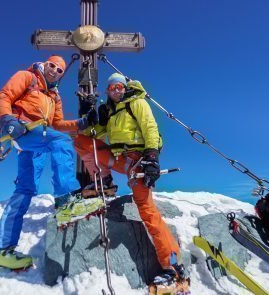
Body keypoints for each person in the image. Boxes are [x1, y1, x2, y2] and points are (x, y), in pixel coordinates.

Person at [0, 55, 99, 272]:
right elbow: (4, 95)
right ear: (44, 65)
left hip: (37, 138)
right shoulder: (27, 77)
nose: (54, 70)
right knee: (63, 142)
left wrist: (81, 123)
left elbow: (57, 123)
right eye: (52, 65)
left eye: (59, 70)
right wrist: (7, 119)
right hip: (22, 129)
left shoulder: (54, 96)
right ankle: (65, 201)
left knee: (25, 189)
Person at [73, 73, 188, 289]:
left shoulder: (136, 103)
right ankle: (105, 182)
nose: (116, 91)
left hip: (138, 163)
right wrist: (90, 115)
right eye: (111, 88)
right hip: (120, 161)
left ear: (124, 88)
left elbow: (150, 128)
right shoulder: (110, 111)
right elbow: (92, 134)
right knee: (81, 141)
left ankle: (173, 267)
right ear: (107, 92)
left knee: (147, 209)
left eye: (119, 87)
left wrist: (152, 157)